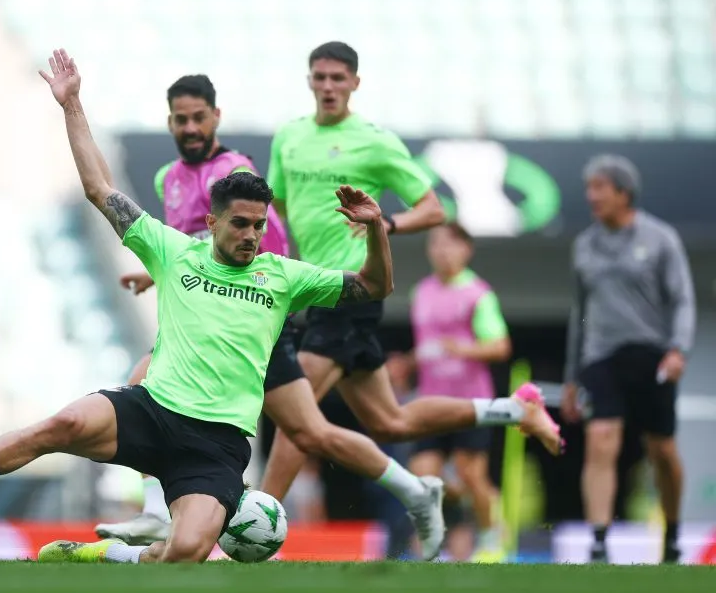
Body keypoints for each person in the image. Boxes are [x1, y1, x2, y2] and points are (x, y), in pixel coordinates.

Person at [0, 48, 449, 564]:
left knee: (185, 552)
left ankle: (110, 554)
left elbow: (374, 286)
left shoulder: (284, 275)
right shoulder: (173, 250)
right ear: (212, 221)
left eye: (259, 225)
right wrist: (72, 106)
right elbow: (99, 189)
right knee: (62, 423)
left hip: (216, 444)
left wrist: (376, 229)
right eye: (240, 224)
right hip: (154, 411)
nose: (252, 235)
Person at [260, 41, 564, 501]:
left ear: (355, 83)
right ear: (309, 81)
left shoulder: (375, 140)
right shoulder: (289, 137)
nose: (328, 86)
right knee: (392, 422)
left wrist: (387, 223)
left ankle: (257, 523)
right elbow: (279, 209)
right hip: (314, 290)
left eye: (338, 78)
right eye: (320, 77)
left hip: (350, 287)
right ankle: (513, 411)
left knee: (296, 418)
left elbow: (433, 208)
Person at [95, 73, 289, 544]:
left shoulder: (235, 169)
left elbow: (261, 244)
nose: (190, 127)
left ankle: (227, 518)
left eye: (199, 117)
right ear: (170, 122)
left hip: (250, 316)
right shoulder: (168, 178)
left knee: (311, 431)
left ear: (215, 116)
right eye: (181, 119)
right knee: (144, 385)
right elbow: (191, 250)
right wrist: (154, 274)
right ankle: (170, 514)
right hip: (208, 319)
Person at [560, 155, 695, 564]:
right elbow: (580, 313)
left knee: (662, 452)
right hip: (600, 357)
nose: (592, 196)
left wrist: (678, 349)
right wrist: (571, 377)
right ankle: (599, 541)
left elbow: (682, 300)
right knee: (601, 440)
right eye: (589, 188)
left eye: (600, 188)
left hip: (652, 356)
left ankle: (672, 533)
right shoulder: (584, 246)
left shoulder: (660, 238)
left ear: (624, 193)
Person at [388, 223, 512, 562]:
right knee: (422, 474)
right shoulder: (421, 292)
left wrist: (462, 348)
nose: (442, 251)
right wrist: (406, 363)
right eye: (436, 244)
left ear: (466, 250)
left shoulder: (478, 294)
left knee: (471, 474)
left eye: (450, 245)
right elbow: (430, 348)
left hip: (470, 403)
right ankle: (432, 546)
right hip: (431, 402)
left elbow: (500, 346)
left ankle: (491, 540)